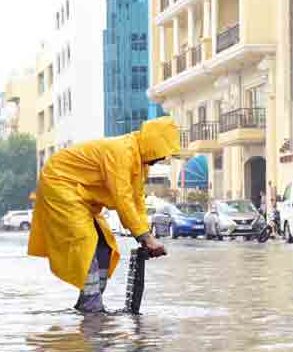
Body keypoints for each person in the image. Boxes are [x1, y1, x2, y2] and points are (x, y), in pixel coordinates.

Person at [27, 118, 180, 313]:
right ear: (154, 144)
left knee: (105, 246)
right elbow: (123, 198)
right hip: (60, 183)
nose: (162, 159)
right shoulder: (122, 152)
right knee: (85, 241)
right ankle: (93, 308)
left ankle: (90, 303)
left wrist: (146, 237)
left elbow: (137, 200)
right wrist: (145, 237)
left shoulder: (139, 162)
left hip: (82, 194)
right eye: (162, 152)